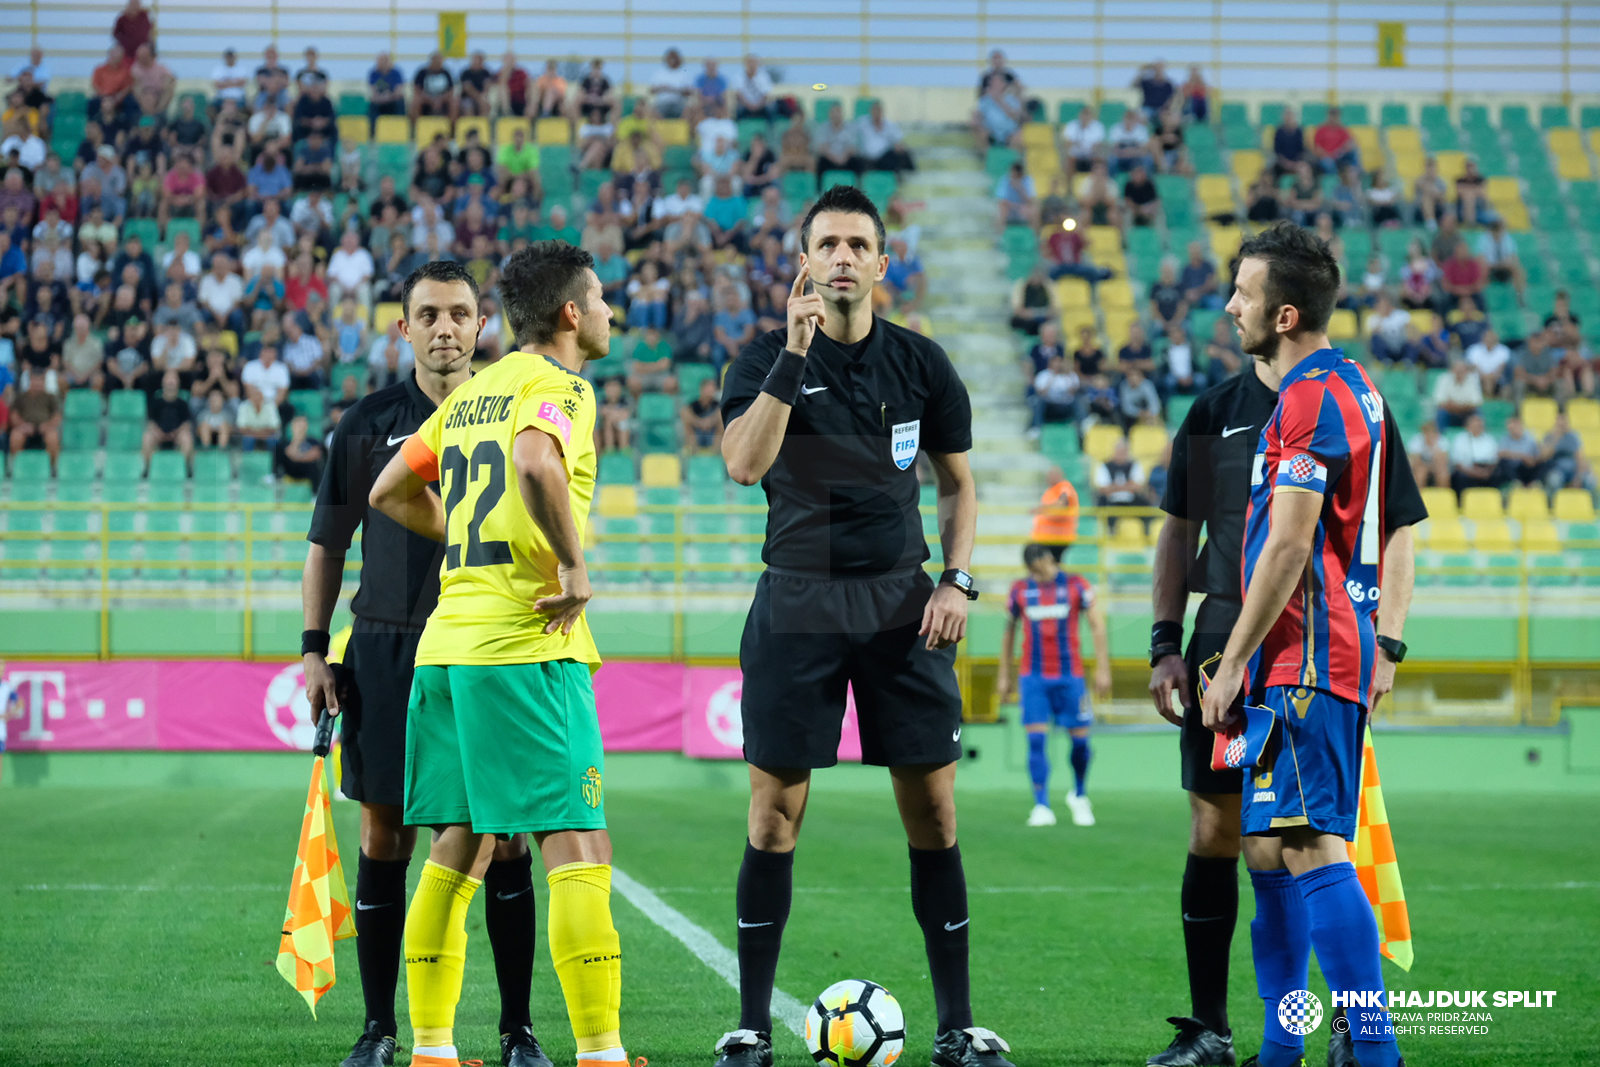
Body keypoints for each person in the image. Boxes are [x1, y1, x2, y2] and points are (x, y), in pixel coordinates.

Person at [713, 185, 1013, 1067]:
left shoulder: (922, 363)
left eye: (857, 244)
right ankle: (749, 1025)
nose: (842, 257)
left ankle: (957, 1025)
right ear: (803, 262)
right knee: (775, 818)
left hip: (900, 607)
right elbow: (741, 464)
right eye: (827, 245)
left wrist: (956, 580)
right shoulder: (763, 357)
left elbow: (959, 484)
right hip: (797, 601)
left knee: (935, 813)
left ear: (883, 263)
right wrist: (791, 359)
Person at [1147, 222, 1425, 1067]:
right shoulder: (1356, 388)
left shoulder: (1307, 399)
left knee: (1307, 843)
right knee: (1267, 846)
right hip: (1293, 654)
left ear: (1285, 313)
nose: (1230, 303)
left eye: (1244, 291)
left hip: (1300, 654)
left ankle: (1372, 1049)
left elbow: (1292, 543)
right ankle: (1279, 1045)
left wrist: (1230, 662)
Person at [368, 243, 632, 1067]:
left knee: (457, 844)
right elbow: (532, 459)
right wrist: (573, 563)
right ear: (570, 314)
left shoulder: (472, 394)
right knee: (578, 843)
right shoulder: (561, 387)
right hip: (526, 644)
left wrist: (465, 547)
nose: (610, 312)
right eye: (602, 300)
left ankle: (434, 1049)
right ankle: (602, 1053)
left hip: (446, 650)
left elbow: (388, 490)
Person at [998, 543, 1110, 827]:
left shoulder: (1076, 585)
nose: (1042, 573)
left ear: (1051, 559)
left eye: (1044, 566)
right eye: (1035, 570)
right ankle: (1041, 805)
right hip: (1033, 677)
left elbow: (1097, 625)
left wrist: (1102, 669)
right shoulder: (1020, 590)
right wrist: (1003, 674)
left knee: (1081, 742)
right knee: (1036, 739)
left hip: (1071, 676)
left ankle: (1080, 794)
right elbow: (1008, 632)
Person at [8, 370, 61, 470]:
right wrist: (23, 425)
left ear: (44, 381)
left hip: (45, 428)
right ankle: (17, 467)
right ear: (30, 381)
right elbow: (14, 415)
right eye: (34, 380)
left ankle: (51, 468)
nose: (37, 383)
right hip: (25, 428)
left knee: (53, 437)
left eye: (40, 380)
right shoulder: (21, 397)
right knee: (15, 436)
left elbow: (57, 416)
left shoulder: (50, 397)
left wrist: (48, 425)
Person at [1093, 436, 1151, 505]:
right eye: (1120, 451)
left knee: (1144, 502)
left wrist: (1114, 487)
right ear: (1114, 451)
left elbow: (1138, 487)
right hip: (1110, 500)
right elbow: (1103, 489)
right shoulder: (1105, 466)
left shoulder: (1134, 465)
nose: (1122, 454)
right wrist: (1127, 486)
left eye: (1124, 451)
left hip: (1131, 500)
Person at [1432, 358, 1482, 430]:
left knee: (1478, 413)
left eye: (1462, 371)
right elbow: (1439, 401)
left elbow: (1477, 402)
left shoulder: (1473, 379)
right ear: (1452, 370)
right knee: (1441, 413)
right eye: (1457, 371)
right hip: (1450, 413)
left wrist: (1455, 405)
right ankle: (1440, 438)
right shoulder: (1443, 379)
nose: (1459, 373)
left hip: (1466, 413)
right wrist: (1463, 404)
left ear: (1466, 371)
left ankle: (1480, 439)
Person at [1464, 326, 1510, 398]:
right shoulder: (1474, 350)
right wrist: (1484, 377)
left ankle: (1493, 399)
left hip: (1496, 378)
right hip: (1478, 378)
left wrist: (1491, 377)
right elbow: (1473, 367)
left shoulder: (1503, 350)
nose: (1490, 339)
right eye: (1488, 337)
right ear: (1483, 338)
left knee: (1505, 385)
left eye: (1492, 337)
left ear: (1496, 338)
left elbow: (1501, 368)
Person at [682, 374, 723, 451]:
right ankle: (694, 452)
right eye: (709, 388)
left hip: (712, 433)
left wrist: (710, 421)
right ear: (702, 388)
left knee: (722, 416)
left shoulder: (717, 404)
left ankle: (716, 453)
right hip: (697, 433)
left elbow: (719, 414)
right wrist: (699, 422)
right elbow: (684, 413)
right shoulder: (694, 404)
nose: (711, 390)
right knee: (685, 416)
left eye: (713, 388)